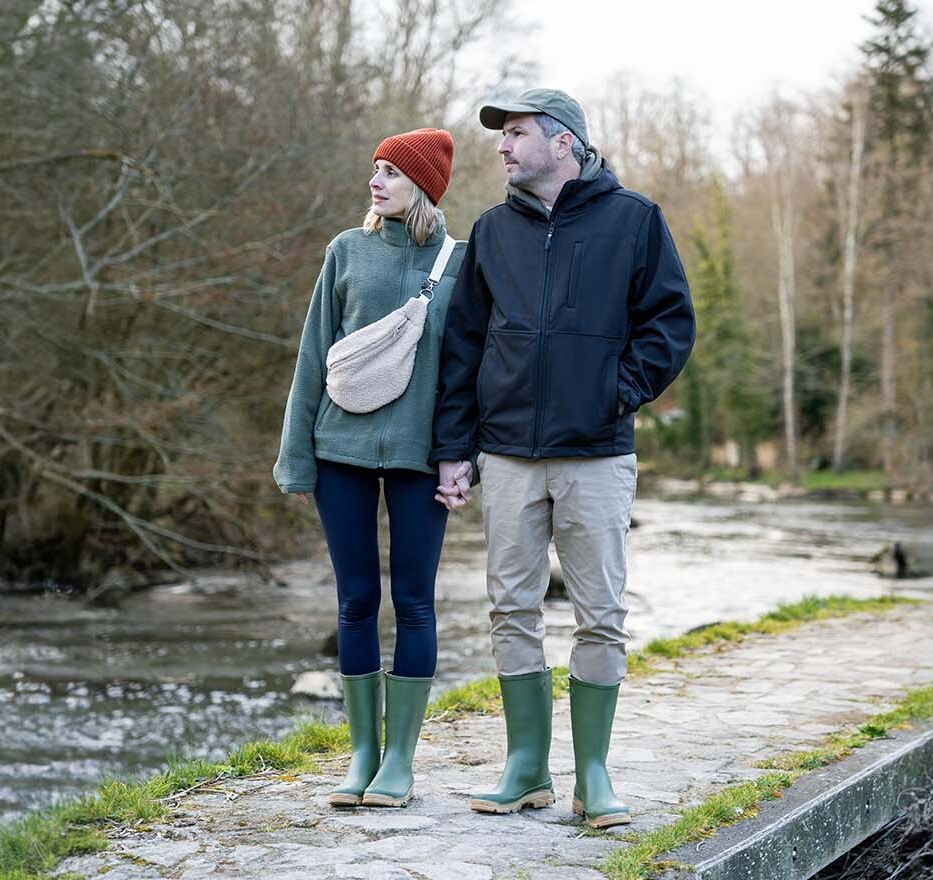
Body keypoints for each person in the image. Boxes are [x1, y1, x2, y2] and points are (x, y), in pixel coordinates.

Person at [430, 89, 695, 829]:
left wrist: (618, 390)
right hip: (507, 454)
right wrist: (455, 448)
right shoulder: (491, 233)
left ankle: (593, 775)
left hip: (597, 455)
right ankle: (525, 769)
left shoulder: (633, 221)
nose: (503, 148)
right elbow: (462, 347)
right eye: (502, 137)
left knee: (600, 615)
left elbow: (670, 323)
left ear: (564, 144)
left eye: (516, 135)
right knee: (510, 608)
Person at [273, 127, 463, 808]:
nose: (376, 182)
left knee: (414, 602)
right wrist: (296, 459)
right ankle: (361, 755)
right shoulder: (345, 252)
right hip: (339, 455)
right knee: (356, 601)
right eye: (374, 170)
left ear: (423, 187)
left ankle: (400, 763)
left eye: (391, 172)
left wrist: (456, 457)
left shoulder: (457, 262)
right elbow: (312, 355)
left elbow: (465, 377)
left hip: (420, 461)